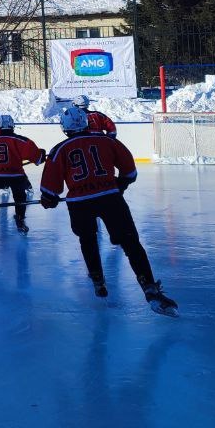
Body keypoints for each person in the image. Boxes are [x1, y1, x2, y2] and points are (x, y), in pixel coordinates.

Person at [40, 105, 177, 315]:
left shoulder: (59, 149)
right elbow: (129, 171)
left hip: (80, 203)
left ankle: (97, 280)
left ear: (65, 127)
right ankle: (149, 288)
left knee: (87, 239)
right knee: (131, 243)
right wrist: (119, 185)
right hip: (110, 199)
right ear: (86, 123)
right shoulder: (108, 141)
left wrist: (49, 199)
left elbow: (51, 189)